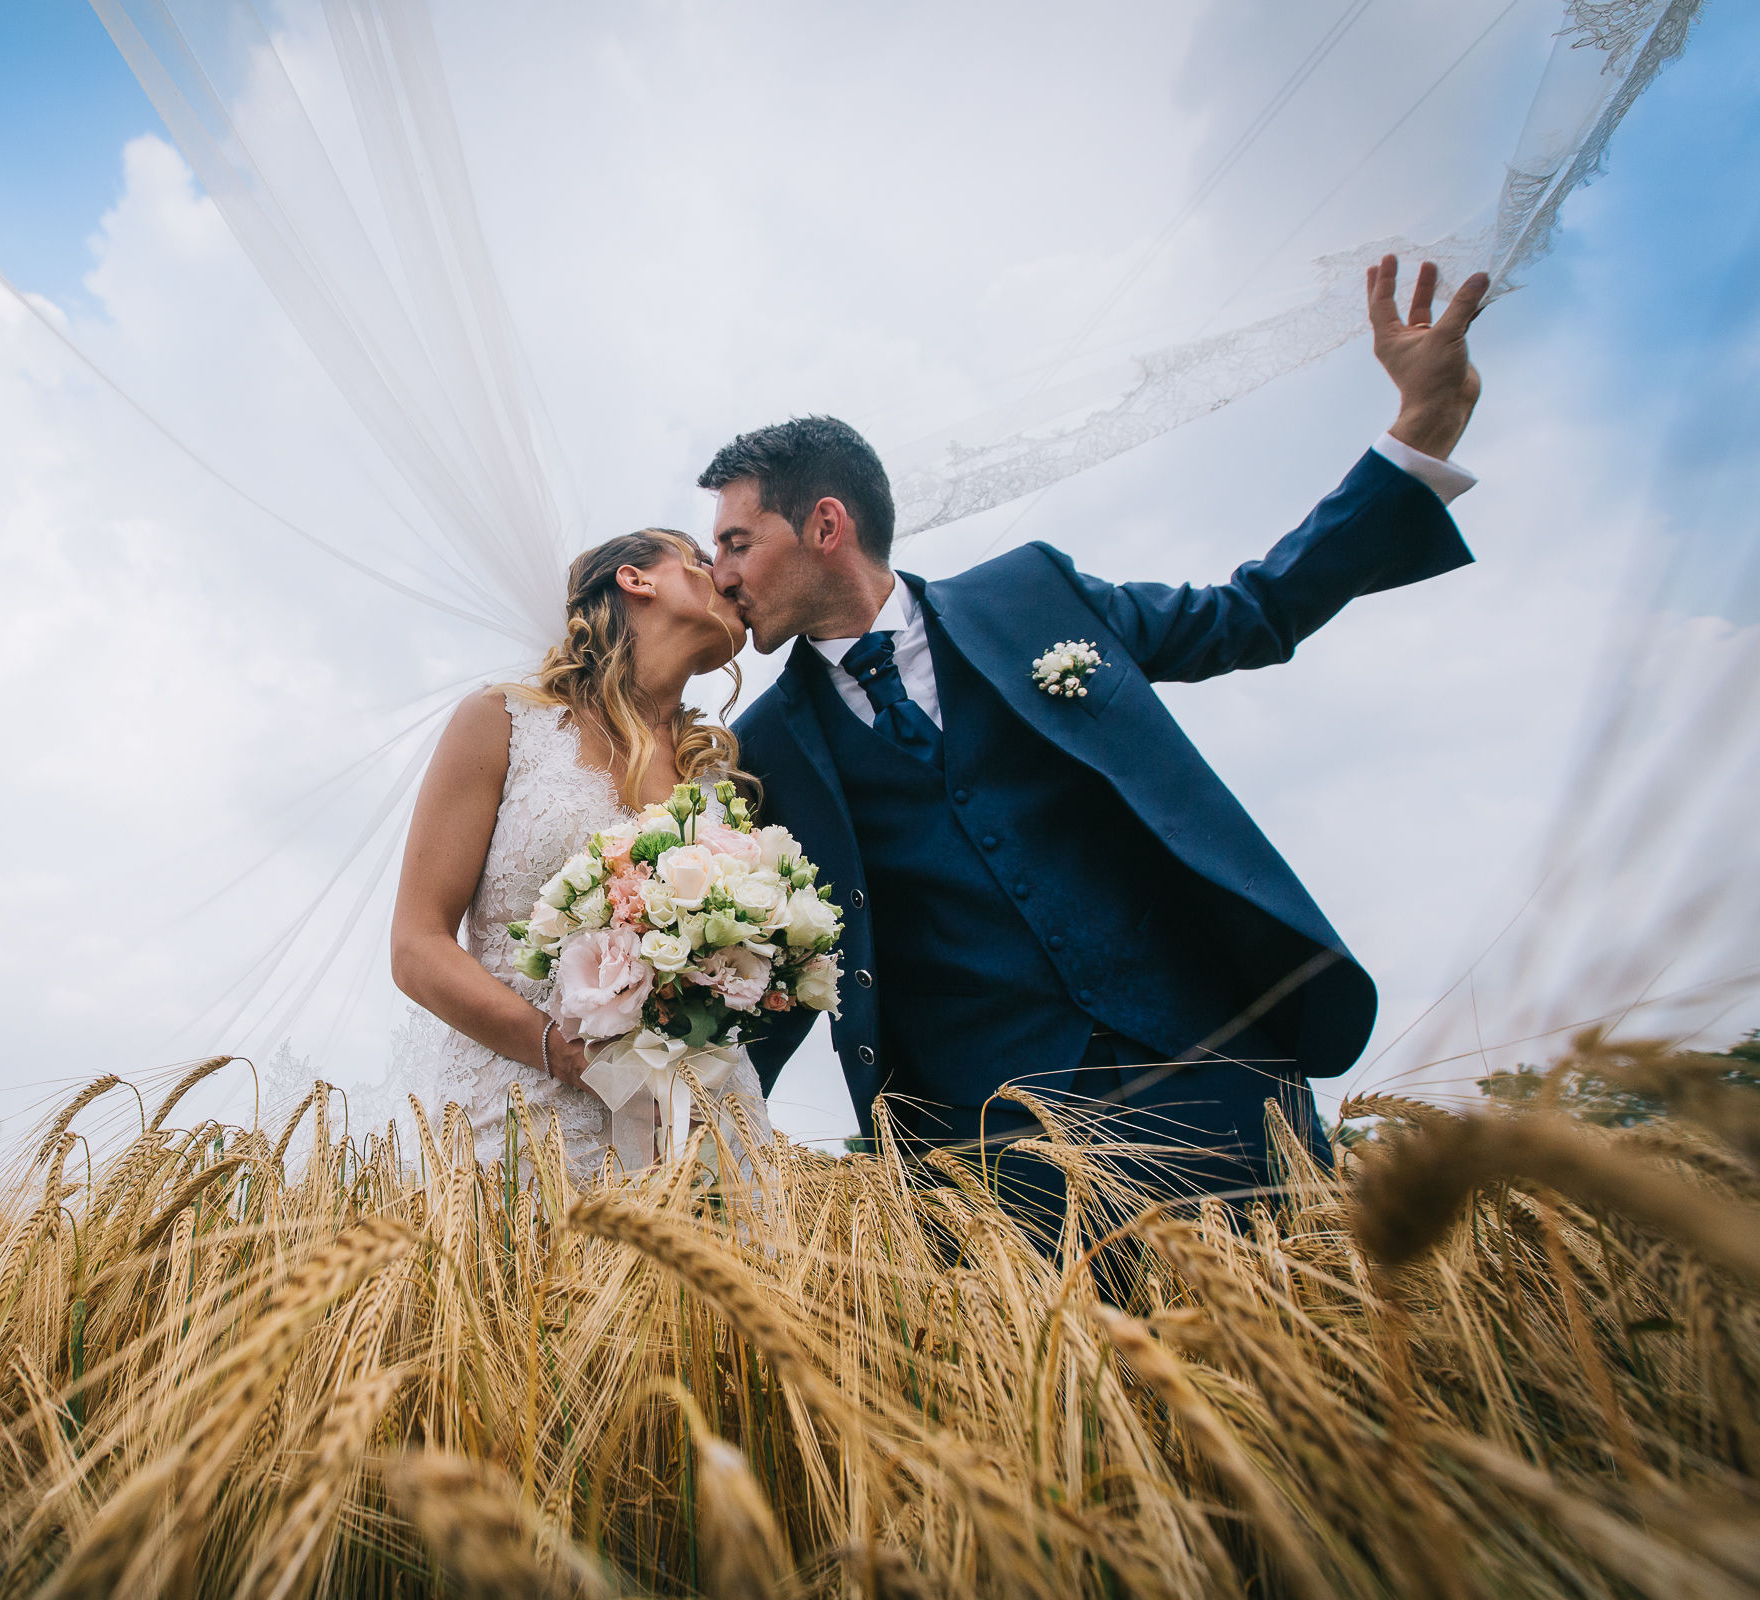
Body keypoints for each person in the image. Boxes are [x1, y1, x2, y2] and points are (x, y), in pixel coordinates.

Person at [705, 256, 1488, 1223]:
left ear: (826, 524)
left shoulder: (1033, 597)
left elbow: (1252, 612)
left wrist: (1415, 439)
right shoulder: (761, 753)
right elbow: (766, 971)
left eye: (737, 543)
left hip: (1214, 1076)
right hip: (991, 1153)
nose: (722, 576)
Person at [389, 529, 767, 1176]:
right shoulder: (503, 722)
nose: (731, 579)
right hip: (535, 1127)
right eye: (703, 562)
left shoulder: (718, 780)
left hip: (705, 1134)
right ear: (636, 579)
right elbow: (415, 947)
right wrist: (565, 1054)